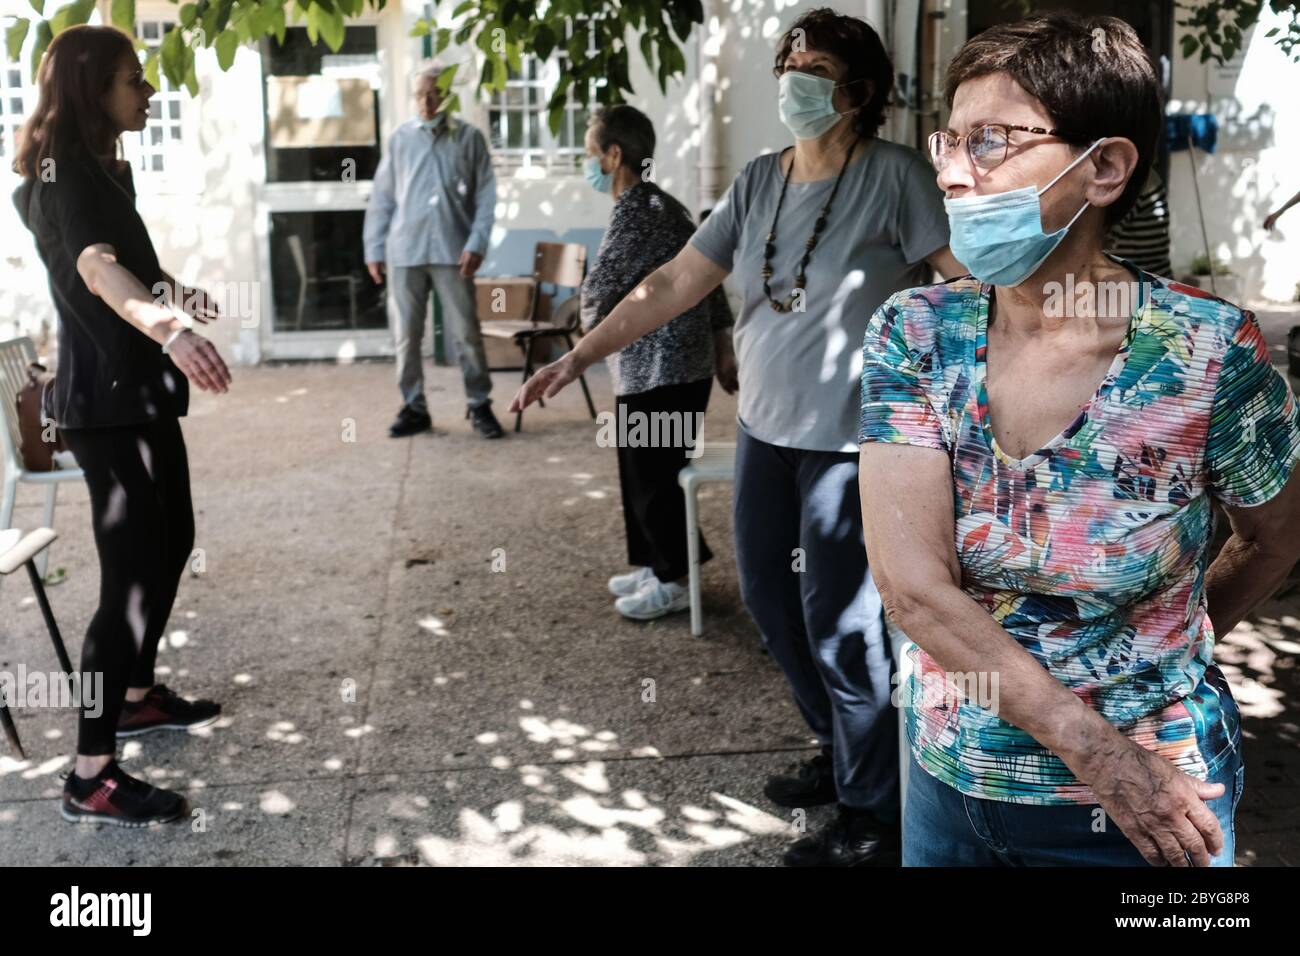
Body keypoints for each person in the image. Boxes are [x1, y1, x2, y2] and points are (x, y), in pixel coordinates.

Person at [512, 7, 963, 866]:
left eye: (815, 65)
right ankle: (840, 750)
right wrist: (576, 358)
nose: (793, 75)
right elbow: (675, 281)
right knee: (769, 600)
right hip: (766, 431)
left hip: (854, 444)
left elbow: (962, 285)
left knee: (841, 623)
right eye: (788, 59)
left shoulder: (896, 177)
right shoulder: (759, 180)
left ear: (858, 91)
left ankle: (874, 813)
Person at [859, 13, 1300, 866]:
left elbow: (1278, 539)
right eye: (948, 142)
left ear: (1102, 166)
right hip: (953, 780)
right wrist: (1100, 751)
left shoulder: (1204, 352)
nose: (951, 173)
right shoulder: (915, 331)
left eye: (990, 141)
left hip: (1156, 809)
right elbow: (912, 588)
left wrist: (1162, 648)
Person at [12, 24, 230, 827]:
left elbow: (128, 263)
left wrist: (178, 294)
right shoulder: (66, 168)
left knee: (171, 542)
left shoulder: (100, 167)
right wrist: (172, 329)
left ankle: (136, 695)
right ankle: (90, 773)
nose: (147, 92)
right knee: (129, 576)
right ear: (91, 87)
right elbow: (98, 268)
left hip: (135, 391)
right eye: (133, 80)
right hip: (105, 403)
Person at [581, 105, 736, 621]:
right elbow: (710, 286)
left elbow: (597, 293)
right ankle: (655, 563)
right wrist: (721, 348)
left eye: (590, 153)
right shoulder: (663, 206)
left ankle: (672, 580)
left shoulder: (637, 213)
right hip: (667, 369)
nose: (589, 163)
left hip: (660, 371)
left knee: (654, 476)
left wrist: (583, 334)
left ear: (614, 154)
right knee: (646, 471)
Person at [364, 65, 504, 440]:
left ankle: (479, 406)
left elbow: (487, 197)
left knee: (466, 333)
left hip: (453, 251)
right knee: (406, 336)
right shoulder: (400, 139)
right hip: (405, 251)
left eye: (433, 94)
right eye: (419, 95)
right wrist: (374, 247)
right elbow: (382, 197)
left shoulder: (469, 138)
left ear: (447, 95)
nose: (426, 102)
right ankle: (414, 408)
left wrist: (477, 242)